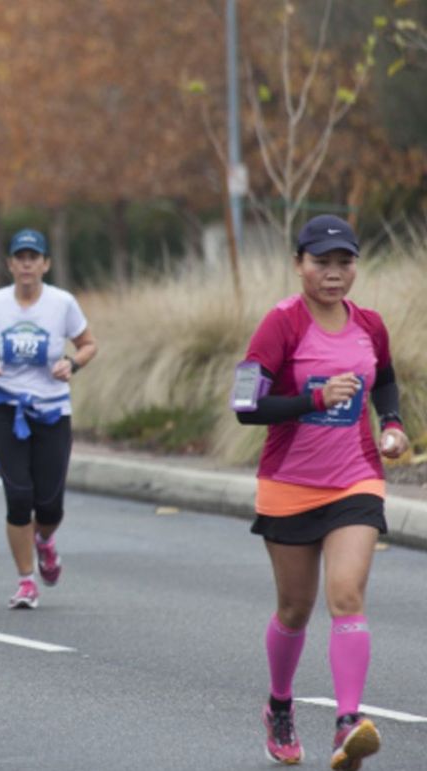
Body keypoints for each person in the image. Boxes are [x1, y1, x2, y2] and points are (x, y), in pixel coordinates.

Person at [232, 215, 408, 770]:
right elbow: (245, 407)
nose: (334, 275)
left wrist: (394, 423)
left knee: (347, 597)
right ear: (299, 264)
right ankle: (279, 707)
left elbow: (383, 378)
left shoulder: (370, 325)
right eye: (322, 263)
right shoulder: (280, 325)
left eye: (344, 263)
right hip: (288, 484)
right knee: (294, 608)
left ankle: (346, 723)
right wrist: (312, 400)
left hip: (355, 478)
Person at [0, 228, 97, 609]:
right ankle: (26, 581)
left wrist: (72, 363)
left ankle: (45, 541)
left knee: (50, 503)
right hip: (7, 407)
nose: (26, 264)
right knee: (18, 496)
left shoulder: (62, 303)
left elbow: (89, 343)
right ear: (9, 264)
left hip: (53, 411)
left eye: (33, 257)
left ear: (45, 264)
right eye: (19, 257)